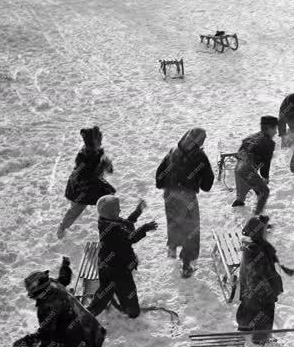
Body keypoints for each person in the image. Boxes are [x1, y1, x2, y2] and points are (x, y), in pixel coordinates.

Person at [155, 128, 214, 278]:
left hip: (169, 194)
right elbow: (208, 181)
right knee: (191, 230)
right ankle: (187, 266)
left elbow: (159, 173)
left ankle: (172, 248)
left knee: (174, 221)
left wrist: (163, 185)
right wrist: (201, 184)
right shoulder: (200, 156)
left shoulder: (174, 150)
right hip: (186, 197)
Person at [86, 195, 158, 318]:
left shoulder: (106, 221)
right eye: (117, 209)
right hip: (118, 267)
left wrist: (137, 211)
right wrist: (145, 228)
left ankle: (89, 313)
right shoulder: (113, 229)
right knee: (126, 292)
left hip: (106, 263)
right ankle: (131, 311)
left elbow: (127, 223)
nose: (120, 211)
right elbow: (131, 237)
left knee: (106, 289)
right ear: (110, 213)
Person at [236, 215, 294, 345]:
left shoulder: (250, 242)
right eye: (265, 231)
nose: (267, 233)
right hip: (261, 289)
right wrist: (267, 291)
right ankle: (261, 338)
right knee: (265, 312)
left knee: (248, 303)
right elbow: (260, 273)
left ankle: (245, 327)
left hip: (250, 285)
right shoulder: (257, 250)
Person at [58, 126, 115, 239]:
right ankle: (62, 227)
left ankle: (110, 225)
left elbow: (109, 170)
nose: (100, 143)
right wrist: (100, 168)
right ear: (91, 143)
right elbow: (84, 176)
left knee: (107, 202)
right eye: (98, 140)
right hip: (81, 188)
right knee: (76, 209)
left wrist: (107, 164)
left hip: (95, 185)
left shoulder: (99, 153)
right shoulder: (82, 157)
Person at [232, 116, 278, 214]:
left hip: (238, 167)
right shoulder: (269, 143)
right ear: (270, 129)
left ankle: (239, 202)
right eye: (275, 129)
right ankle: (257, 220)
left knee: (247, 181)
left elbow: (240, 152)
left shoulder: (250, 137)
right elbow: (266, 162)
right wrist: (265, 177)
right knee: (264, 191)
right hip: (246, 168)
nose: (276, 132)